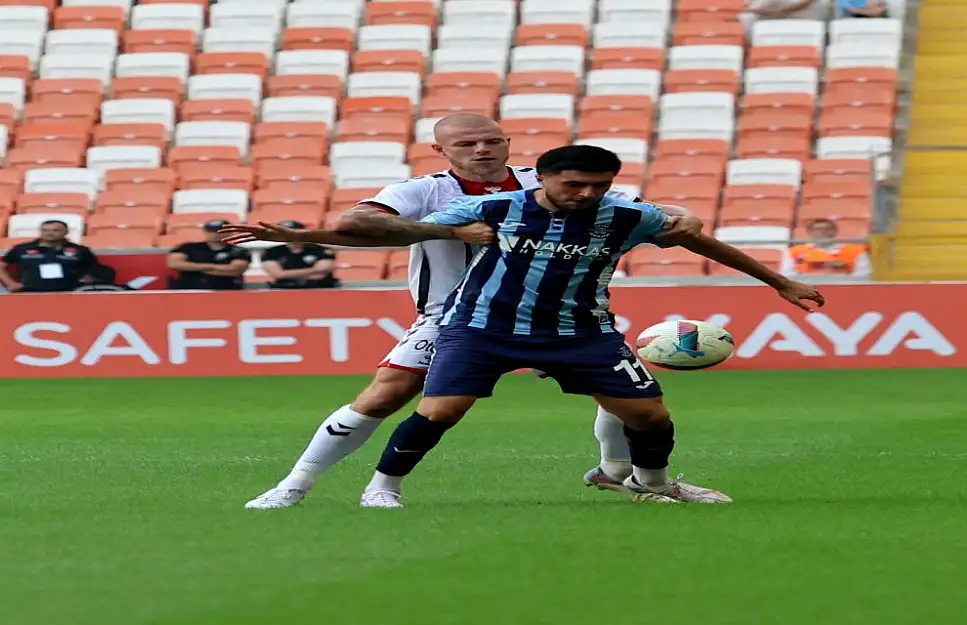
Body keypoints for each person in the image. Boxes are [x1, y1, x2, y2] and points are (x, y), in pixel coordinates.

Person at [226, 144, 825, 508]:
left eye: (598, 185)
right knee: (440, 409)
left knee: (649, 415)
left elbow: (699, 239)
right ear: (545, 179)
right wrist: (300, 236)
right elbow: (386, 229)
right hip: (481, 327)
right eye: (574, 185)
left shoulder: (629, 216)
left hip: (580, 331)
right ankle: (382, 486)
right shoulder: (492, 208)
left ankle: (651, 481)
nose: (586, 194)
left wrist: (780, 282)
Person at [0, 220, 101, 293]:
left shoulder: (81, 250)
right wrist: (11, 283)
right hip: (30, 292)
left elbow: (94, 272)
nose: (49, 233)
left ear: (66, 232)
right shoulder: (22, 249)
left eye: (55, 230)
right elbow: (1, 266)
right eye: (45, 230)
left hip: (69, 293)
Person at [166, 219, 251, 290]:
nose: (216, 234)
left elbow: (235, 270)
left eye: (221, 231)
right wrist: (213, 267)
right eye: (212, 231)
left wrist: (193, 267)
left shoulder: (239, 250)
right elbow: (174, 263)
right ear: (205, 232)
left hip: (225, 291)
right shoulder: (188, 247)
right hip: (190, 290)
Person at [260, 220, 338, 289]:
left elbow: (321, 273)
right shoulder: (272, 252)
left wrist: (287, 274)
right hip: (284, 289)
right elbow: (278, 274)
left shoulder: (321, 250)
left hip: (318, 288)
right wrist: (313, 270)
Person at [782, 218, 871, 278]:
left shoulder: (856, 251)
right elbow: (787, 275)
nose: (823, 232)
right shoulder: (794, 252)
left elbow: (863, 274)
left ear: (835, 231)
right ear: (809, 232)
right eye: (817, 229)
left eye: (827, 229)